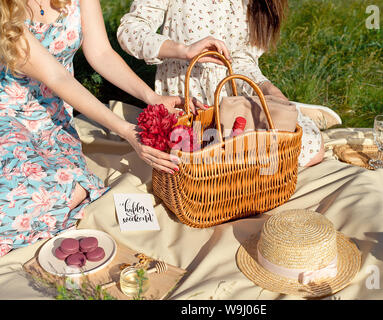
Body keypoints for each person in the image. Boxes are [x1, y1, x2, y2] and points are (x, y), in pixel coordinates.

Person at [0, 0, 221, 256]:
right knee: (19, 201)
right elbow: (56, 76)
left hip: (53, 123)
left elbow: (101, 53)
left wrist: (153, 98)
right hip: (7, 116)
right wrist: (127, 131)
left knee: (69, 191)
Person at [117, 0, 339, 167]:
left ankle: (288, 108)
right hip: (190, 104)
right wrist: (183, 50)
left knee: (311, 150)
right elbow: (129, 30)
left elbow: (240, 60)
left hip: (234, 103)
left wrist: (267, 88)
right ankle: (294, 110)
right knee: (207, 168)